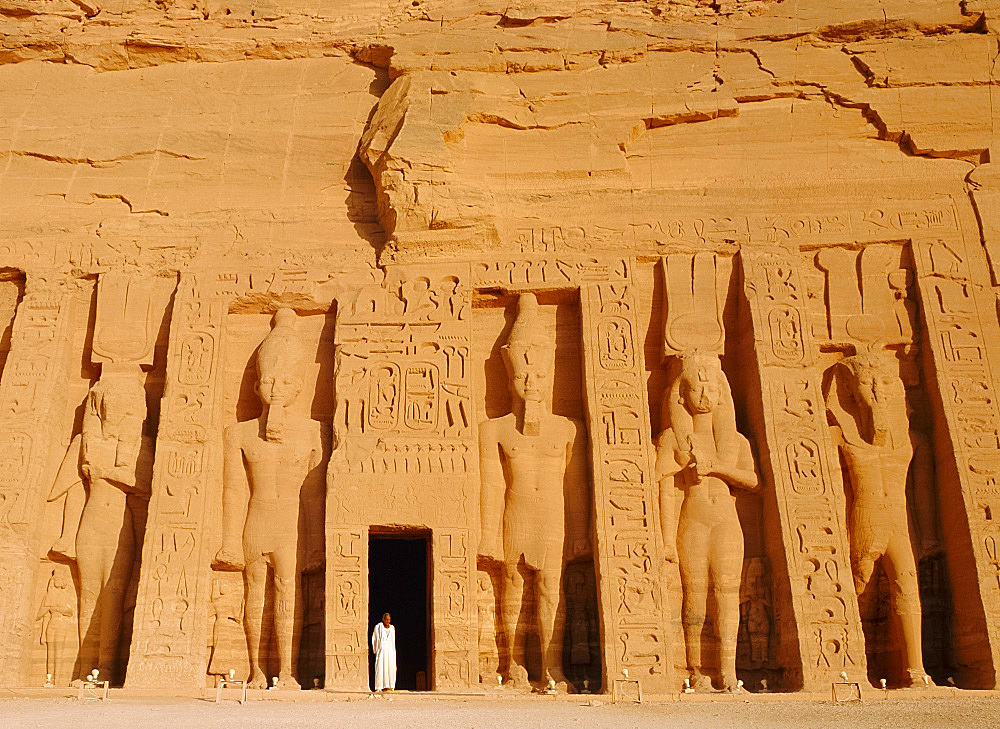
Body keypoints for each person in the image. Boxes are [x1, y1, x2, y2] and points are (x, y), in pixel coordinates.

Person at [478, 293, 591, 690]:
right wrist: (487, 535)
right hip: (515, 513)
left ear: (551, 375)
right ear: (510, 377)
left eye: (540, 376)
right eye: (524, 376)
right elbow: (492, 486)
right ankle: (512, 665)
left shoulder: (568, 428)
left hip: (553, 516)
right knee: (513, 587)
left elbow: (575, 486)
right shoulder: (494, 429)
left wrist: (581, 532)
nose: (532, 384)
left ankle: (551, 667)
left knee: (550, 590)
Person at [213, 308, 328, 690]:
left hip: (291, 526)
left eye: (285, 381)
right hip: (256, 522)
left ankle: (289, 670)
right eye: (268, 380)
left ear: (299, 386)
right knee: (255, 596)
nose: (276, 388)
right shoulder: (239, 434)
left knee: (289, 594)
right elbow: (233, 491)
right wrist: (229, 540)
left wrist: (315, 544)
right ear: (256, 385)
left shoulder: (314, 433)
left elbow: (313, 494)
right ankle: (256, 669)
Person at [655, 353, 758, 691]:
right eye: (696, 389)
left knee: (728, 593)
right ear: (681, 396)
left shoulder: (736, 441)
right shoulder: (672, 437)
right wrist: (667, 540)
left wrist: (715, 467)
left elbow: (752, 480)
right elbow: (661, 483)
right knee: (694, 595)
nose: (704, 396)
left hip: (726, 521)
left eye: (711, 389)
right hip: (693, 519)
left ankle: (728, 670)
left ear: (721, 393)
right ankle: (697, 669)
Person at [371, 612, 397, 692]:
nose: (387, 621)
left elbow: (393, 640)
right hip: (381, 650)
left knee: (390, 667)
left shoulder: (392, 628)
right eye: (386, 619)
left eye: (389, 620)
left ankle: (389, 686)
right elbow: (374, 639)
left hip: (390, 651)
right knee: (380, 667)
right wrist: (376, 650)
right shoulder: (378, 627)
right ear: (383, 619)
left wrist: (393, 651)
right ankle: (379, 686)